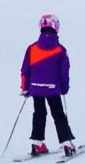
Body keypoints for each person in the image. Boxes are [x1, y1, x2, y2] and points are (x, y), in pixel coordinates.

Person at [21, 14, 76, 156]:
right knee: (58, 114)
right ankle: (66, 143)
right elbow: (64, 71)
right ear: (56, 27)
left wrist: (25, 88)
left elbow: (25, 70)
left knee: (39, 113)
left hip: (35, 87)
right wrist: (64, 87)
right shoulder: (60, 50)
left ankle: (37, 143)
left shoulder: (32, 48)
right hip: (53, 88)